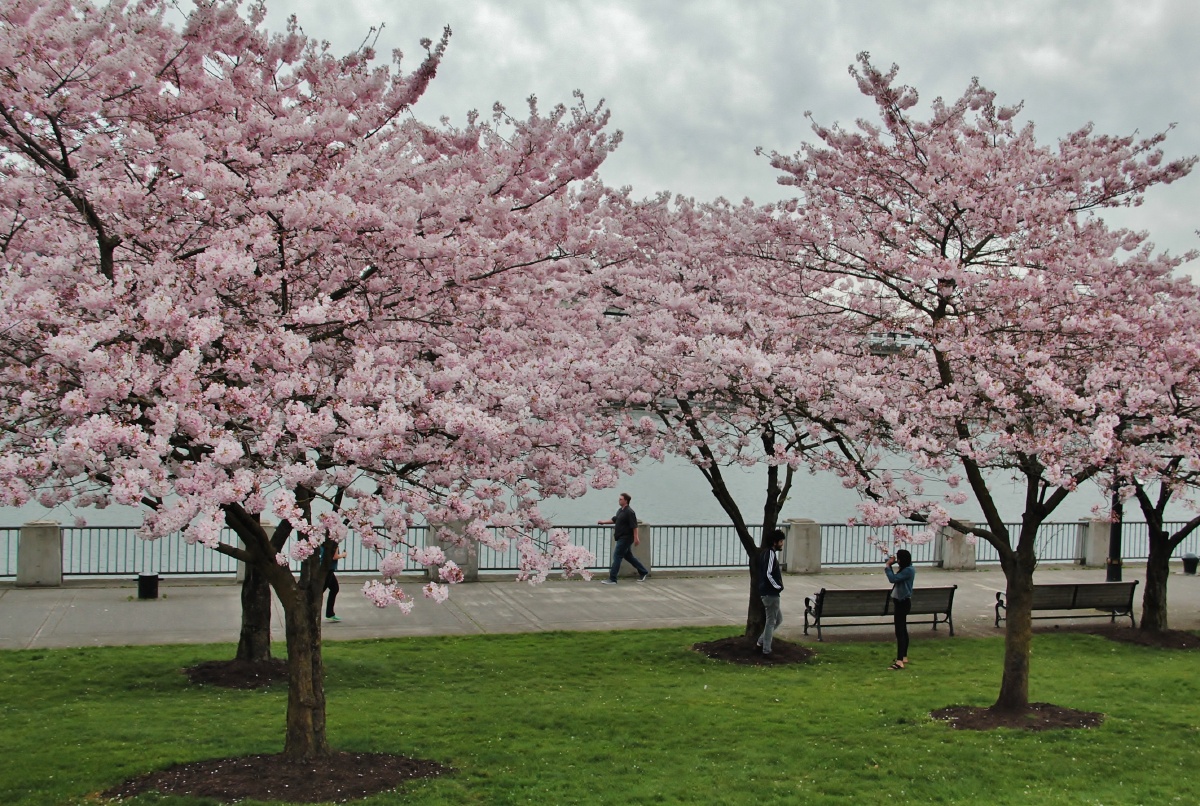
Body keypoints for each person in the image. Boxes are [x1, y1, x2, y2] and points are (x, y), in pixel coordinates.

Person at [597, 492, 649, 584]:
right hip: (620, 537)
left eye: (621, 499)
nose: (619, 500)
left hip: (626, 538)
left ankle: (613, 579)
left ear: (626, 501)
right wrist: (603, 522)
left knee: (617, 556)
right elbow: (615, 519)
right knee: (628, 556)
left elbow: (634, 526)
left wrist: (636, 537)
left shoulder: (630, 512)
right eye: (619, 499)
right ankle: (643, 571)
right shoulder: (620, 510)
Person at [884, 549, 915, 669]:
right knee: (902, 629)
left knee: (900, 631)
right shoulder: (908, 569)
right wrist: (890, 564)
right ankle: (903, 656)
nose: (897, 561)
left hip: (902, 603)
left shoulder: (908, 570)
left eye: (898, 559)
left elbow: (893, 579)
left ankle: (899, 661)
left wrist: (888, 566)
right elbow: (896, 577)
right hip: (901, 602)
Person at [756, 529, 786, 655]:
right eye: (781, 541)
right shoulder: (770, 554)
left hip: (769, 593)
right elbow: (768, 574)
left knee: (778, 619)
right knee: (771, 621)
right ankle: (766, 650)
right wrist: (777, 586)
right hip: (770, 593)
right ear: (775, 542)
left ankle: (761, 641)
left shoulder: (766, 553)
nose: (782, 544)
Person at [322, 544, 347, 622]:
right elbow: (334, 557)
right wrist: (343, 555)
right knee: (320, 591)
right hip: (328, 569)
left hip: (326, 568)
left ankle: (330, 614)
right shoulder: (334, 543)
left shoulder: (325, 542)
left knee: (334, 588)